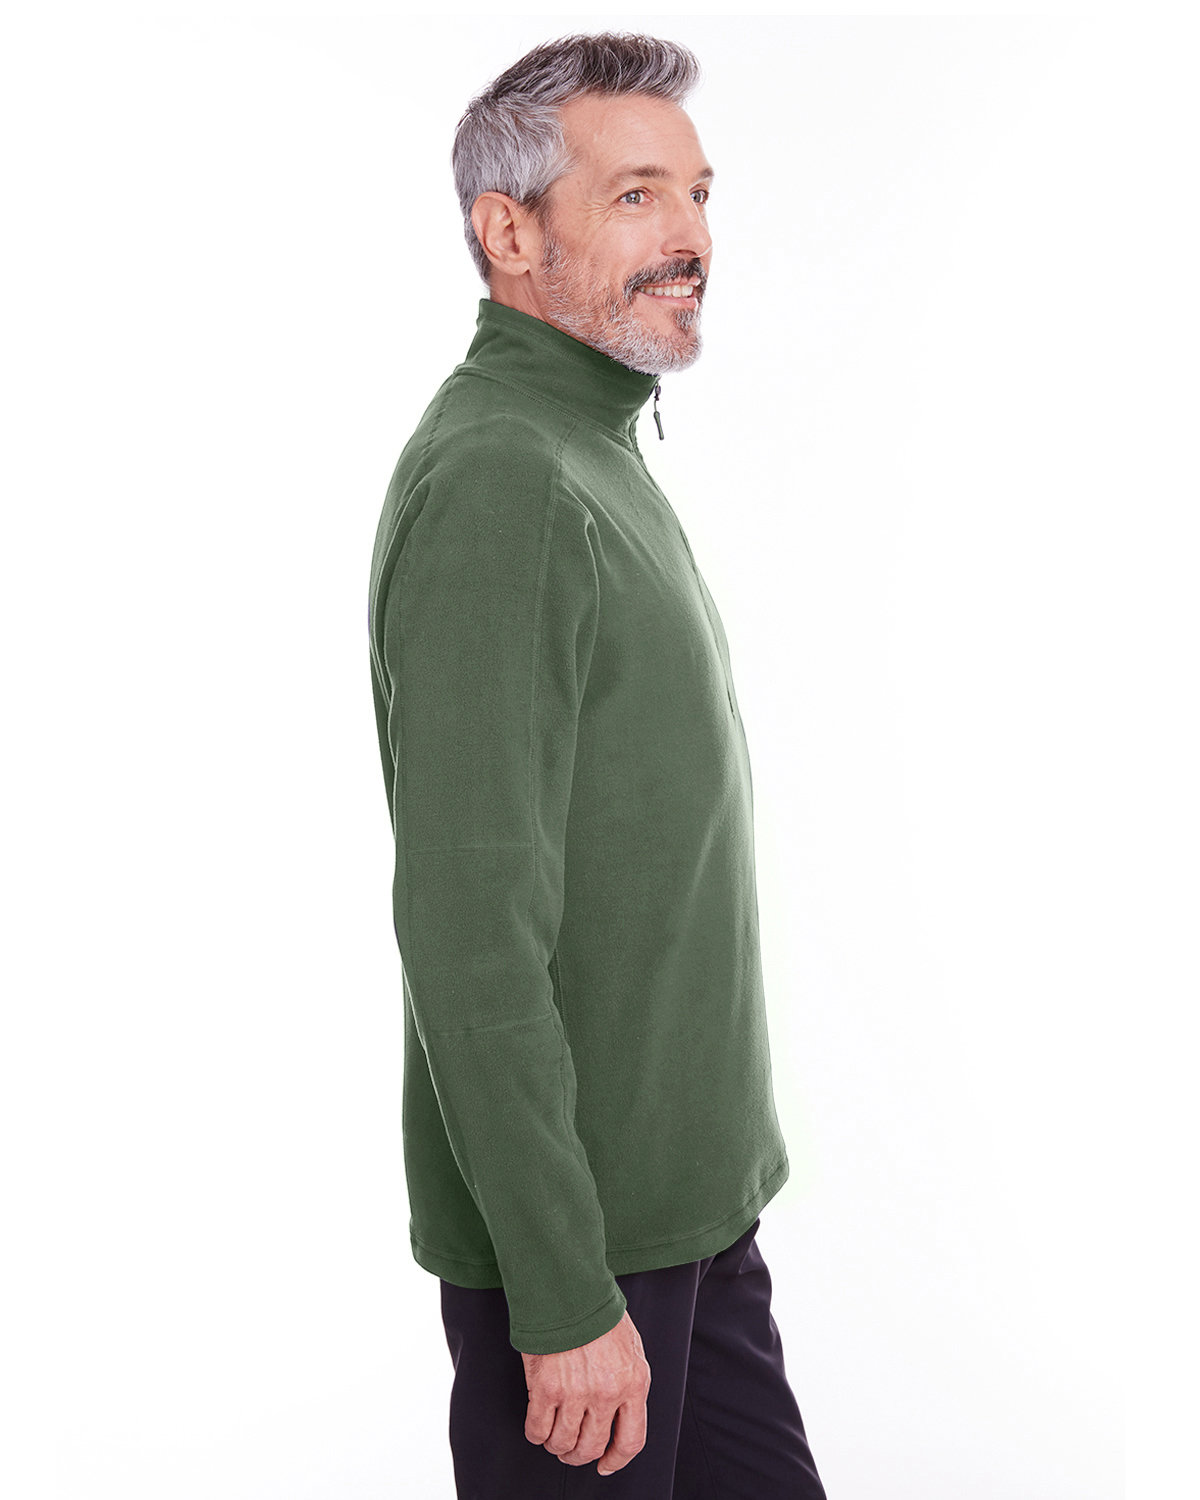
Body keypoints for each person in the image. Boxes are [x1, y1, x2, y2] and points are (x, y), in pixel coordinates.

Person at [367, 31, 828, 1498]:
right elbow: (467, 927)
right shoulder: (508, 478)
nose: (690, 236)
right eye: (635, 195)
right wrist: (564, 1293)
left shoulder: (592, 445)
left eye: (697, 193)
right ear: (510, 233)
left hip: (688, 1218)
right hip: (586, 1261)